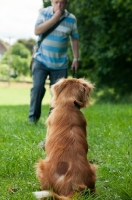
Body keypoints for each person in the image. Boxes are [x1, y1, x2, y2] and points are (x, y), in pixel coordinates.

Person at [28, 0, 79, 123]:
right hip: (41, 59)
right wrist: (54, 19)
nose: (59, 5)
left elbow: (74, 39)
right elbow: (37, 31)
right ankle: (33, 118)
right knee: (38, 88)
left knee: (59, 95)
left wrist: (76, 59)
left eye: (62, 3)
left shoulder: (71, 19)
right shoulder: (44, 13)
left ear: (66, 3)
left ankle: (53, 120)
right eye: (56, 2)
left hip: (60, 64)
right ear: (52, 2)